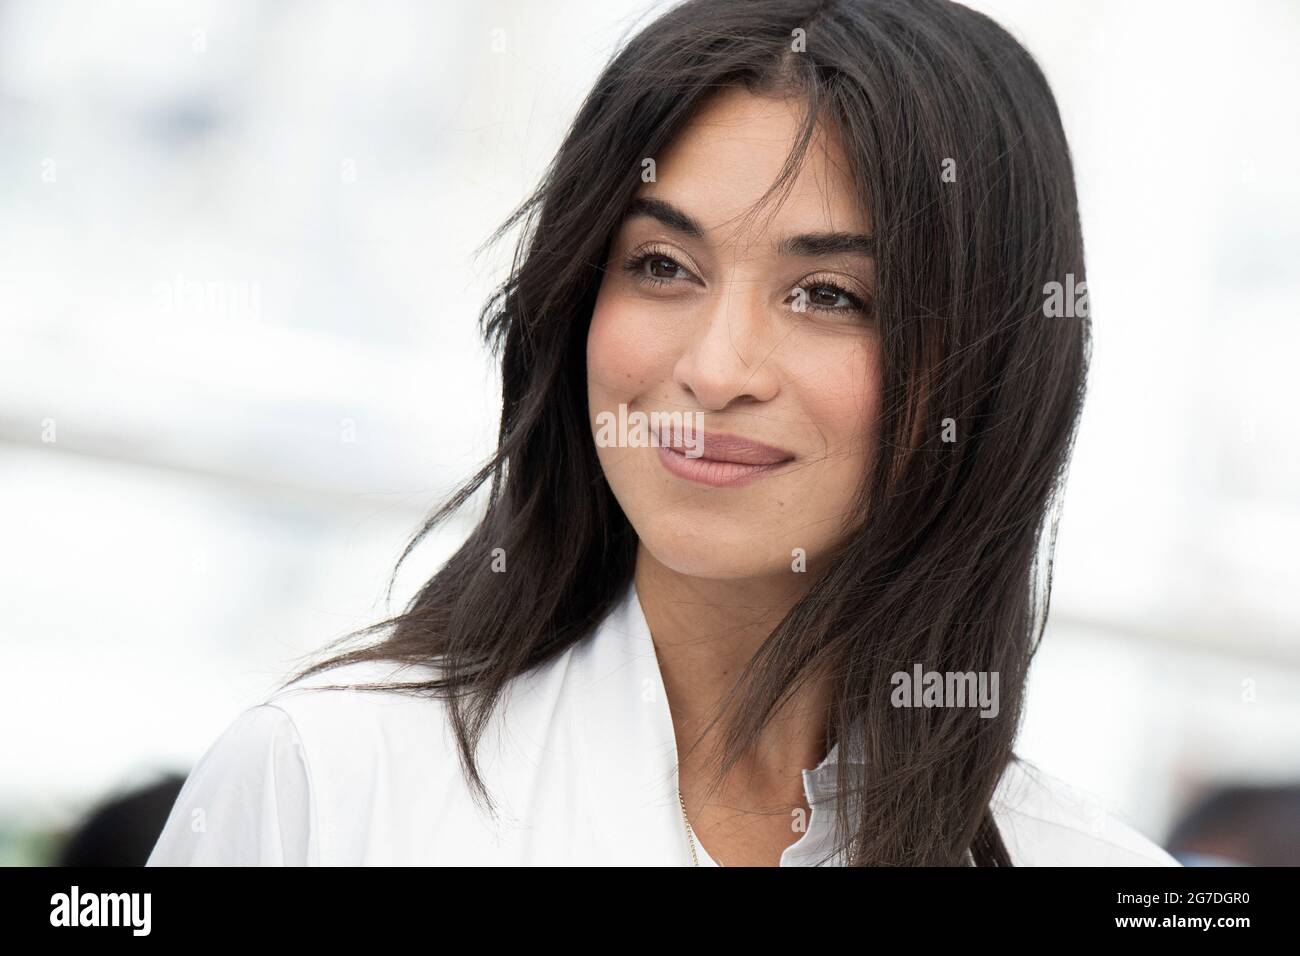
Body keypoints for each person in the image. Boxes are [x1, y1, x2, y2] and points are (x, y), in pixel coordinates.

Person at [148, 0, 1177, 867]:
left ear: (988, 362)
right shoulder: (323, 781)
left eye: (827, 293)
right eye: (661, 266)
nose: (715, 368)